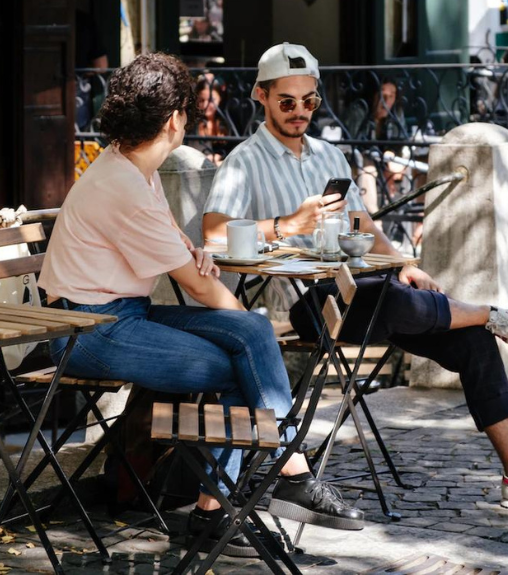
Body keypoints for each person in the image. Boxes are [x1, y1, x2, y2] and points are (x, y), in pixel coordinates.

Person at [203, 42, 508, 518]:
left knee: (470, 341)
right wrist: (287, 225)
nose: (300, 111)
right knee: (407, 303)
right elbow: (213, 233)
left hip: (362, 292)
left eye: (310, 100)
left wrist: (403, 261)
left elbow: (362, 226)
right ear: (261, 95)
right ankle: (490, 312)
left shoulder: (327, 156)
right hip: (299, 306)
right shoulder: (243, 160)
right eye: (287, 101)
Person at [38, 52, 365, 557]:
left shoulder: (132, 166)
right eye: (188, 112)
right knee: (244, 358)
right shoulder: (123, 183)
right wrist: (238, 317)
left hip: (121, 314)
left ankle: (235, 504)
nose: (189, 121)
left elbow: (177, 245)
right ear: (173, 120)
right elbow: (196, 287)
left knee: (252, 336)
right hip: (89, 331)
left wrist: (195, 255)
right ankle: (274, 480)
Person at [195, 76, 229, 164]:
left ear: (220, 98)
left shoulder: (229, 121)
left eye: (211, 100)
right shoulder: (193, 123)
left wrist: (221, 158)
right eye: (201, 100)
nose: (205, 105)